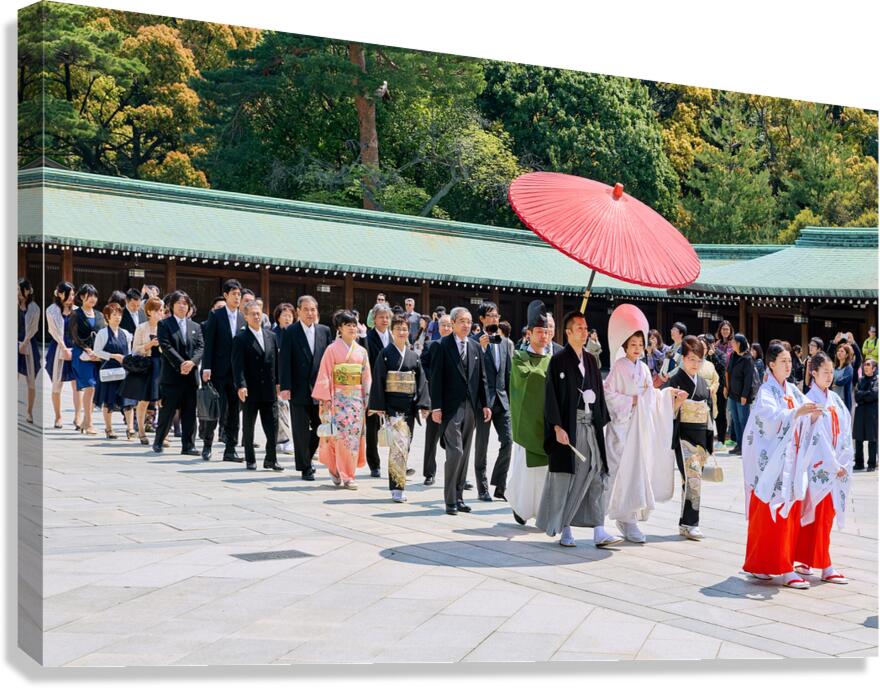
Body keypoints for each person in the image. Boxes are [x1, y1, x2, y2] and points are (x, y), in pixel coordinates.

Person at [741, 343, 823, 589]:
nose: (788, 365)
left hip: (790, 462)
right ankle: (766, 565)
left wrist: (812, 414)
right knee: (768, 514)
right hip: (771, 465)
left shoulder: (792, 390)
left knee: (787, 513)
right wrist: (796, 414)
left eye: (790, 361)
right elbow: (767, 418)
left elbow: (803, 411)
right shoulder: (767, 391)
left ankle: (784, 564)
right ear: (771, 364)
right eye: (783, 361)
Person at [537, 310, 616, 548]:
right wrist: (557, 427)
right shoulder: (559, 360)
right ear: (568, 332)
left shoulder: (591, 360)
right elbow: (550, 397)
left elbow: (599, 393)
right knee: (571, 476)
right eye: (579, 328)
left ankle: (599, 529)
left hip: (590, 425)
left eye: (586, 327)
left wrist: (600, 418)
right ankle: (566, 527)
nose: (585, 331)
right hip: (571, 427)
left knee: (597, 475)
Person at [602, 305, 680, 544]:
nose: (636, 349)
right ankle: (618, 517)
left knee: (639, 473)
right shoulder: (618, 367)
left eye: (640, 344)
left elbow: (652, 396)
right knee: (622, 473)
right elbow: (609, 393)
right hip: (624, 429)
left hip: (641, 428)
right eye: (632, 345)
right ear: (625, 346)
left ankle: (631, 518)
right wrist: (631, 401)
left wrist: (668, 396)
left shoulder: (645, 369)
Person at [794, 351, 853, 584]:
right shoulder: (809, 400)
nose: (828, 377)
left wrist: (844, 459)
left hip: (835, 463)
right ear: (813, 373)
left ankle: (806, 560)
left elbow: (845, 429)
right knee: (817, 515)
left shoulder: (835, 399)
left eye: (831, 372)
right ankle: (824, 565)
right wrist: (831, 463)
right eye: (824, 372)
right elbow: (815, 436)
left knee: (823, 516)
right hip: (818, 465)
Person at [430, 306, 490, 515]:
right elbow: (436, 378)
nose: (466, 325)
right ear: (453, 323)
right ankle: (450, 500)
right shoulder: (442, 346)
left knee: (465, 453)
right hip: (450, 407)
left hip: (471, 407)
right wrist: (435, 407)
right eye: (462, 321)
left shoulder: (474, 347)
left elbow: (481, 378)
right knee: (455, 451)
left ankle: (459, 496)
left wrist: (485, 404)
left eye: (469, 321)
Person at [369, 314, 430, 502]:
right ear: (392, 332)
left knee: (405, 446)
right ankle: (397, 487)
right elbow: (379, 379)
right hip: (392, 407)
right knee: (398, 447)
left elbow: (421, 381)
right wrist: (379, 406)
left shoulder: (413, 356)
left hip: (409, 407)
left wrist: (423, 404)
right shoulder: (385, 354)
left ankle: (399, 481)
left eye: (405, 329)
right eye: (398, 329)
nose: (402, 332)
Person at [507, 301, 555, 526]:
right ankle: (521, 508)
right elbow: (526, 382)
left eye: (546, 331)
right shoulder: (519, 358)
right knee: (526, 472)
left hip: (547, 425)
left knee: (545, 474)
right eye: (539, 332)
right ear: (529, 334)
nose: (544, 336)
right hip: (528, 425)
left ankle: (543, 511)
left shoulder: (553, 361)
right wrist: (550, 378)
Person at [663, 336, 715, 540]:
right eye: (691, 359)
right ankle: (692, 523)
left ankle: (685, 523)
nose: (695, 364)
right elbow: (665, 408)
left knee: (692, 480)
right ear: (683, 358)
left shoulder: (702, 382)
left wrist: (711, 438)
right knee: (693, 478)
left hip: (701, 435)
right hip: (684, 435)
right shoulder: (675, 380)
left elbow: (709, 412)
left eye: (699, 360)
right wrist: (677, 404)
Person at [312, 310, 371, 489]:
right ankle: (335, 468)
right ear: (339, 328)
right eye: (348, 325)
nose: (352, 328)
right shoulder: (332, 349)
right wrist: (326, 399)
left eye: (354, 325)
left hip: (355, 403)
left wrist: (367, 398)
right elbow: (325, 374)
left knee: (351, 440)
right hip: (337, 400)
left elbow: (366, 377)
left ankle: (348, 474)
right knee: (336, 436)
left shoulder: (361, 352)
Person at [279, 295, 332, 480]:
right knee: (300, 430)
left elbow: (329, 361)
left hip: (320, 389)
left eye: (313, 310)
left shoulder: (324, 331)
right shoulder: (290, 332)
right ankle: (305, 467)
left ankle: (306, 457)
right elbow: (284, 361)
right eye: (306, 309)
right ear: (298, 311)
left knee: (320, 427)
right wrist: (284, 386)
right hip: (298, 387)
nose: (310, 313)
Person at [232, 300, 283, 471]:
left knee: (273, 426)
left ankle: (271, 458)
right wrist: (240, 385)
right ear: (245, 317)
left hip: (269, 389)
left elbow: (276, 362)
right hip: (250, 389)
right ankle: (250, 459)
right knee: (249, 426)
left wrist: (278, 383)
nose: (256, 316)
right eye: (252, 313)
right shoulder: (240, 338)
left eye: (258, 312)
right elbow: (237, 365)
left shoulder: (271, 336)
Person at [152, 291, 204, 456]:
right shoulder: (164, 324)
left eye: (185, 303)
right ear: (171, 306)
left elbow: (201, 347)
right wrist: (181, 364)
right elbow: (166, 346)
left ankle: (189, 445)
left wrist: (192, 362)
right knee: (168, 411)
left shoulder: (196, 327)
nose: (182, 306)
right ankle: (159, 441)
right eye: (179, 303)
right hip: (172, 376)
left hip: (190, 376)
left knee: (190, 412)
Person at [471, 301, 513, 502]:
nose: (494, 319)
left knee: (508, 440)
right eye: (490, 316)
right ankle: (482, 486)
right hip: (483, 401)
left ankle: (500, 484)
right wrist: (481, 348)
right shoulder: (474, 342)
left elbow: (508, 374)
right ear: (482, 319)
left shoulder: (504, 343)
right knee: (482, 445)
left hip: (502, 400)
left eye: (497, 316)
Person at [200, 279, 246, 461]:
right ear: (225, 295)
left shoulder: (244, 317)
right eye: (233, 294)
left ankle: (230, 449)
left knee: (235, 412)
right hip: (219, 370)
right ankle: (207, 444)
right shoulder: (216, 315)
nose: (237, 297)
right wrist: (206, 367)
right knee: (215, 409)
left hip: (237, 373)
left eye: (239, 294)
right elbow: (209, 343)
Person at [92, 302, 136, 440]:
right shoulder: (103, 333)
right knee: (108, 401)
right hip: (109, 371)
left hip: (124, 371)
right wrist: (112, 356)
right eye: (114, 315)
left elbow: (129, 352)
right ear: (107, 317)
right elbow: (97, 351)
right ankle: (109, 428)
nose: (117, 317)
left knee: (128, 401)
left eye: (119, 314)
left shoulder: (126, 333)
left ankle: (130, 428)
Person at [420, 314, 453, 486]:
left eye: (449, 325)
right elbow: (422, 367)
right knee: (431, 436)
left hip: (453, 399)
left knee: (455, 438)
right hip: (435, 397)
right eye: (443, 325)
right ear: (438, 327)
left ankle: (456, 474)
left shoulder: (459, 346)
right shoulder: (431, 345)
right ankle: (429, 472)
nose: (446, 328)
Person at [69, 284, 105, 435]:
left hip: (97, 356)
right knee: (90, 387)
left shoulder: (99, 315)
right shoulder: (76, 314)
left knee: (95, 389)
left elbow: (103, 334)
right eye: (89, 295)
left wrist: (99, 352)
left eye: (95, 296)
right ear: (82, 296)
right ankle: (89, 423)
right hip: (82, 355)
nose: (93, 299)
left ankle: (85, 421)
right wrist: (87, 349)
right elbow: (73, 335)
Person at [129, 297, 164, 445]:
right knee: (143, 400)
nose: (160, 313)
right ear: (149, 311)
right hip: (147, 366)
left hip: (162, 365)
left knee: (162, 400)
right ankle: (141, 431)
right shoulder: (142, 327)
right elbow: (135, 350)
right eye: (157, 310)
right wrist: (149, 345)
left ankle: (164, 434)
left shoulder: (164, 327)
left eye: (162, 310)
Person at [365, 303, 394, 478]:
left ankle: (398, 462)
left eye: (387, 317)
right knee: (373, 428)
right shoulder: (367, 338)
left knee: (396, 426)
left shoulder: (395, 336)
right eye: (381, 317)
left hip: (393, 388)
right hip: (374, 387)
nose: (384, 320)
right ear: (374, 319)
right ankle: (374, 464)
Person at [46, 281, 79, 429]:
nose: (72, 297)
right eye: (70, 294)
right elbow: (53, 331)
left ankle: (78, 416)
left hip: (75, 348)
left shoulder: (77, 311)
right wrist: (64, 348)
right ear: (60, 294)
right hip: (58, 347)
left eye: (73, 294)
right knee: (56, 385)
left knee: (78, 385)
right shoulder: (51, 310)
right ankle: (58, 417)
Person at [272, 303, 297, 456]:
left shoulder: (295, 333)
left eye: (290, 315)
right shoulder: (273, 334)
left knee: (288, 408)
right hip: (278, 377)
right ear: (278, 317)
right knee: (281, 408)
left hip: (294, 377)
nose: (288, 318)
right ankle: (284, 440)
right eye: (284, 315)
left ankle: (287, 439)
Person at [726, 333, 755, 455]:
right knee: (735, 420)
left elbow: (748, 379)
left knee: (744, 421)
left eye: (733, 342)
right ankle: (739, 444)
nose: (731, 344)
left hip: (742, 396)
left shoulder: (748, 359)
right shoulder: (733, 355)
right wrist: (726, 387)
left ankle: (745, 446)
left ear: (739, 344)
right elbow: (729, 372)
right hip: (732, 394)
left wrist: (744, 395)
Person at [17, 278, 41, 424]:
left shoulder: (34, 308)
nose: (17, 293)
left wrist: (23, 343)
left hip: (29, 344)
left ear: (26, 291)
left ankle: (29, 412)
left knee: (30, 381)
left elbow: (33, 329)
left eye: (19, 290)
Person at [853, 358, 878, 471]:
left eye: (868, 365)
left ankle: (871, 464)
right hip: (860, 413)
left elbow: (875, 394)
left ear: (874, 368)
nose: (866, 367)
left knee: (872, 439)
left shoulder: (877, 380)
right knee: (858, 439)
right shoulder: (860, 380)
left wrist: (863, 396)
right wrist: (865, 396)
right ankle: (859, 463)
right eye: (865, 365)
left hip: (872, 413)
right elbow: (857, 396)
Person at [832, 343, 854, 411]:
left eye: (842, 351)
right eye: (838, 351)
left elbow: (842, 381)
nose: (839, 353)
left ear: (847, 355)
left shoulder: (849, 368)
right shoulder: (835, 367)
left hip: (843, 400)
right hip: (833, 399)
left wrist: (834, 382)